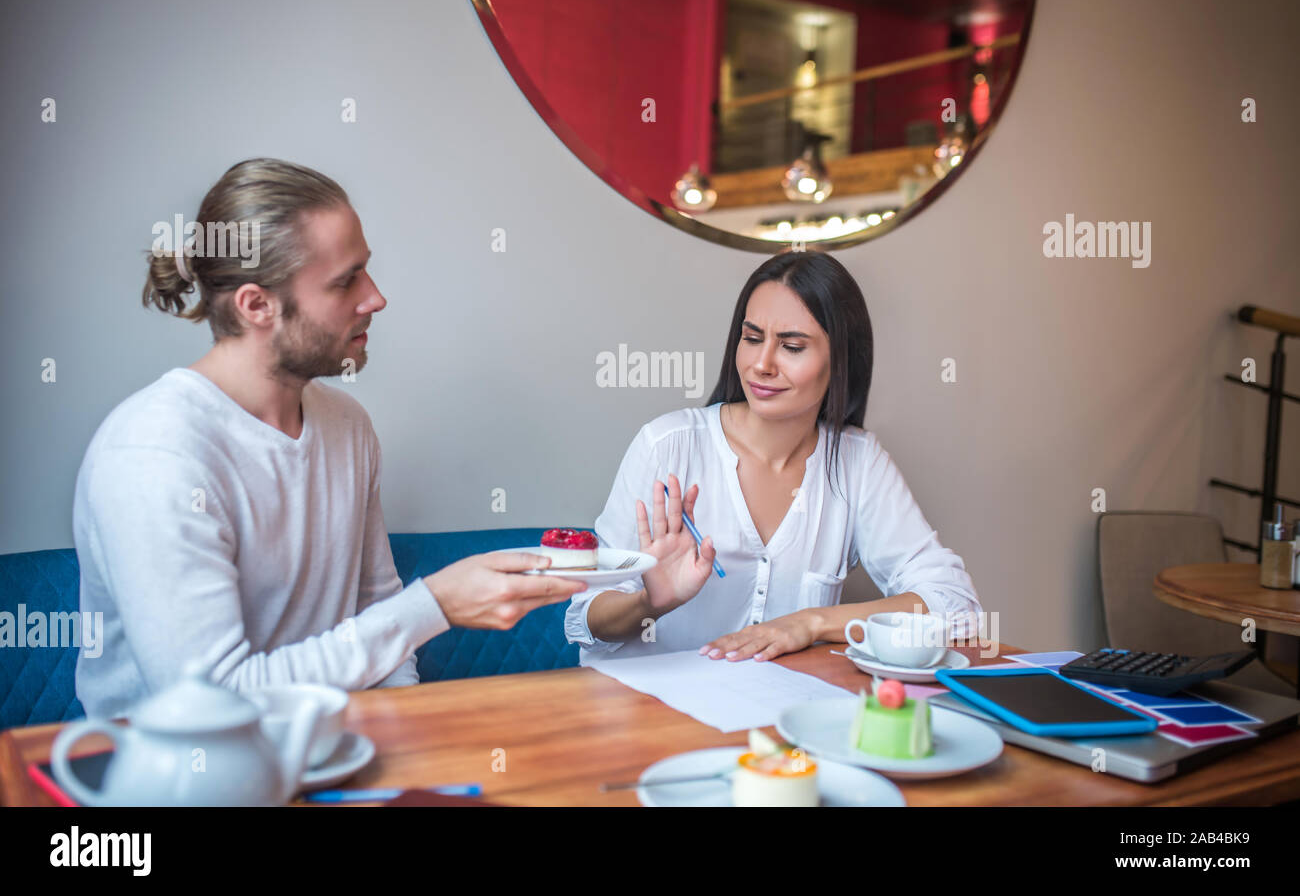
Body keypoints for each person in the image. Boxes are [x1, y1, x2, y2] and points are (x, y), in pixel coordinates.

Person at [74, 158, 585, 718]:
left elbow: (376, 610)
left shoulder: (347, 425)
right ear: (256, 305)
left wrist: (407, 744)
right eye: (346, 281)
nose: (376, 297)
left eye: (365, 270)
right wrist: (433, 604)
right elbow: (206, 704)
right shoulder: (155, 454)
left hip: (330, 760)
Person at [565, 249, 982, 664]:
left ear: (840, 362)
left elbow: (955, 605)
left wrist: (810, 622)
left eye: (792, 346)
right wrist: (650, 603)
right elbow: (584, 619)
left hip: (772, 720)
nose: (761, 364)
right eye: (751, 338)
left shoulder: (858, 462)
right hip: (650, 717)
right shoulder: (667, 446)